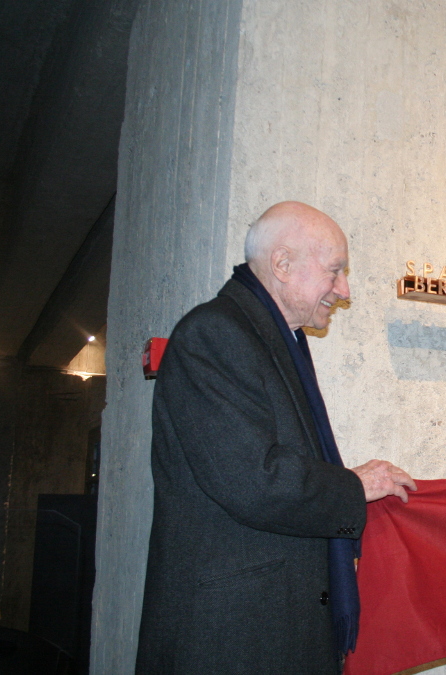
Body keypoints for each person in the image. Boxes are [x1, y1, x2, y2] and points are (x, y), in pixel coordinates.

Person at [136, 201, 417, 674]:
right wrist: (354, 486)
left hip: (264, 631)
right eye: (335, 271)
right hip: (231, 639)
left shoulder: (269, 338)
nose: (343, 290)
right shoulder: (214, 334)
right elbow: (253, 479)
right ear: (282, 264)